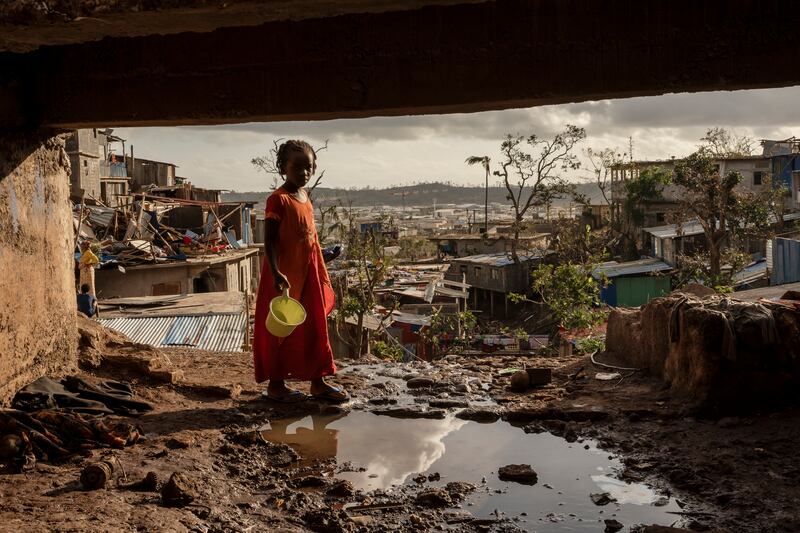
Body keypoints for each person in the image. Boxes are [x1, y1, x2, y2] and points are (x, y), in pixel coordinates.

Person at [252, 140, 348, 403]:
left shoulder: (305, 198)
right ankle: (276, 384)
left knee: (315, 327)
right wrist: (275, 272)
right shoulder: (278, 200)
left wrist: (323, 256)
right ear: (283, 167)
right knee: (280, 332)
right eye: (297, 167)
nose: (303, 173)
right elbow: (269, 241)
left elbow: (308, 238)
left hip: (308, 274)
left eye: (308, 167)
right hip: (284, 277)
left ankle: (318, 381)